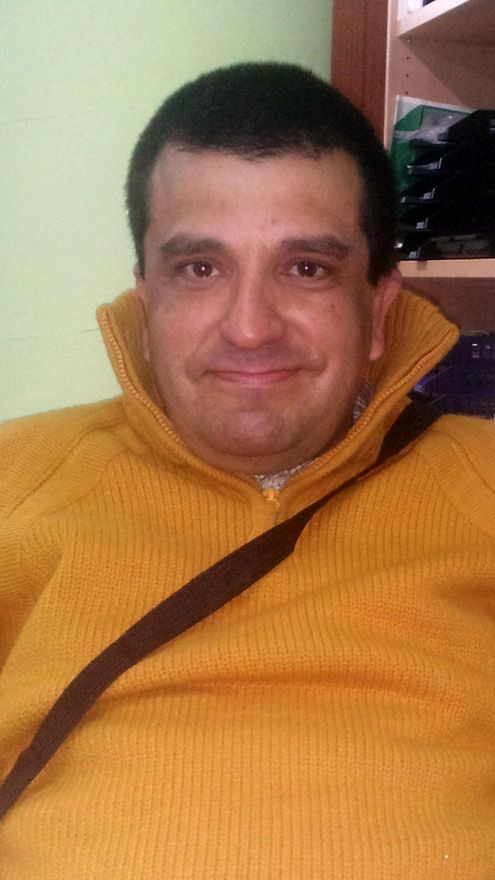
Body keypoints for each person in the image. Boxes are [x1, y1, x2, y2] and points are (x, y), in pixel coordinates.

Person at [0, 62, 494, 880]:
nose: (250, 328)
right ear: (147, 303)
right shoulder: (16, 478)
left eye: (306, 268)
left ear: (377, 311)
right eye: (200, 268)